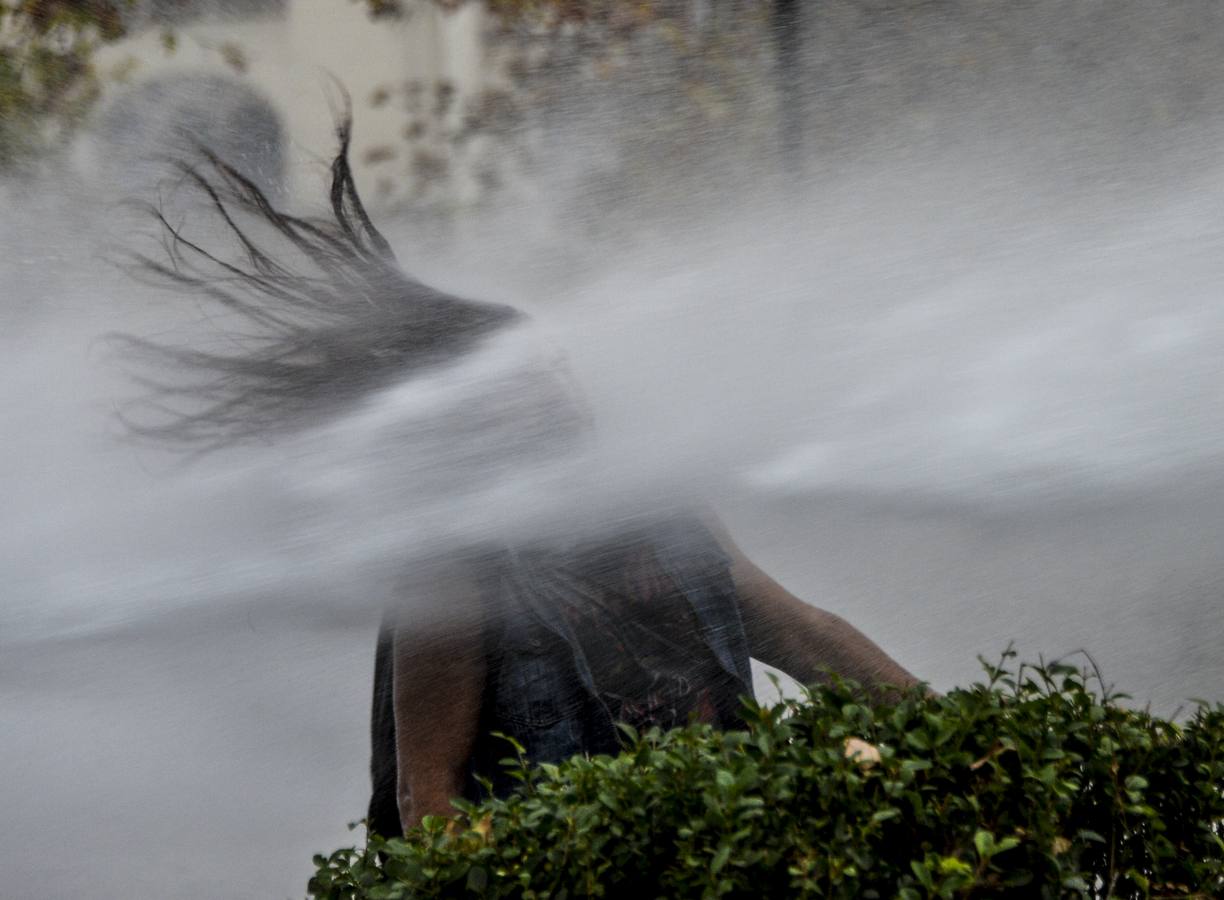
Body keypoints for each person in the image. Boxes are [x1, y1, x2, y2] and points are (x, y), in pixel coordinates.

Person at [121, 122, 923, 843]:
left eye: (555, 367)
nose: (560, 390)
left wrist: (957, 734)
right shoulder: (453, 569)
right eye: (527, 379)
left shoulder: (665, 511)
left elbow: (803, 634)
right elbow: (427, 799)